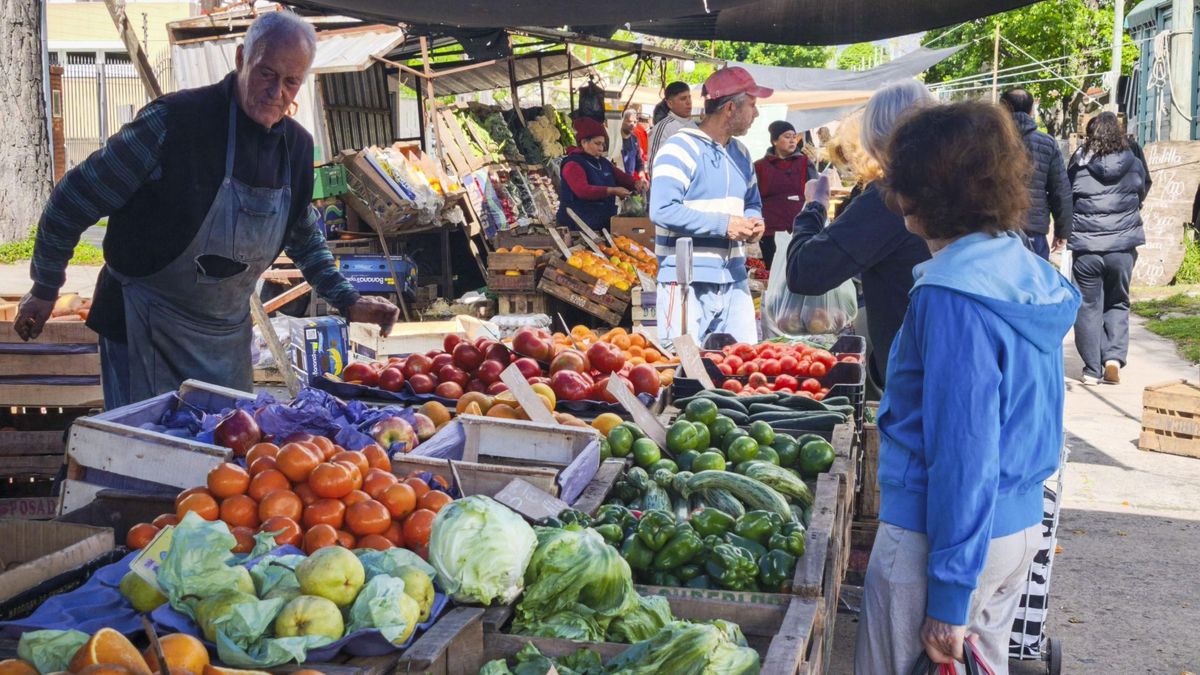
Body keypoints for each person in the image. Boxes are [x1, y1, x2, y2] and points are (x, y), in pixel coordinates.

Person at [13, 12, 398, 408]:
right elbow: (73, 198)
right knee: (145, 458)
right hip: (144, 329)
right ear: (240, 59)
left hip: (224, 342)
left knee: (224, 457)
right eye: (266, 73)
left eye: (291, 81)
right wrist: (45, 287)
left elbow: (304, 237)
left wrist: (347, 299)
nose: (276, 92)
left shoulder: (295, 150)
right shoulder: (173, 124)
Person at [853, 101, 1080, 675]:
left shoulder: (953, 296)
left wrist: (949, 598)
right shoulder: (1024, 267)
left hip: (941, 537)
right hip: (1014, 529)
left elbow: (965, 452)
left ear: (921, 191)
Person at [785, 81, 934, 388]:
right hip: (956, 357)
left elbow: (806, 272)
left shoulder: (895, 196)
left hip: (915, 370)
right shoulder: (960, 182)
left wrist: (814, 207)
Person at [649, 66, 769, 344]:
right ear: (730, 108)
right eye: (752, 105)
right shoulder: (679, 148)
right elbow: (662, 209)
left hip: (734, 280)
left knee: (743, 368)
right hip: (684, 284)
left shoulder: (741, 153)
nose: (756, 114)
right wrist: (725, 224)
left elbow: (752, 202)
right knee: (684, 371)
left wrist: (754, 221)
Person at [1067, 111, 1148, 385]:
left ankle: (1091, 370)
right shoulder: (1133, 161)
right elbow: (1142, 189)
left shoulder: (1078, 162)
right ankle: (1112, 358)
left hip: (1087, 248)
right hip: (1122, 247)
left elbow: (1067, 195)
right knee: (1117, 301)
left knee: (1088, 305)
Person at [999, 88, 1073, 260]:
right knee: (1034, 282)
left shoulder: (988, 141)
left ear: (1003, 109)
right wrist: (1062, 230)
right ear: (1032, 110)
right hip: (1034, 229)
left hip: (995, 230)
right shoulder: (1047, 143)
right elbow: (1060, 191)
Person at [557, 116, 646, 233]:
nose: (601, 148)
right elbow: (583, 190)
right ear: (584, 142)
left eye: (603, 144)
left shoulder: (602, 162)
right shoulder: (573, 164)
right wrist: (611, 191)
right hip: (577, 227)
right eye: (597, 143)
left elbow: (621, 177)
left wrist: (636, 183)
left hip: (601, 224)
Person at [753, 121, 817, 269]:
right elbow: (752, 198)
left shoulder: (805, 163)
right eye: (787, 136)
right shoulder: (759, 167)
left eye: (794, 137)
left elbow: (815, 193)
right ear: (775, 141)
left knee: (798, 271)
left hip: (798, 229)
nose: (793, 140)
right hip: (769, 231)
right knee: (773, 272)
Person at [647, 81, 697, 170]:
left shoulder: (694, 127)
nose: (689, 102)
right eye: (683, 99)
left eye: (689, 97)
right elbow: (654, 165)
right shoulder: (663, 128)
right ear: (670, 103)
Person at [619, 109, 646, 180]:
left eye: (635, 122)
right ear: (621, 121)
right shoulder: (615, 139)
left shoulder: (635, 139)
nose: (632, 125)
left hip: (629, 181)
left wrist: (643, 177)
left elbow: (639, 162)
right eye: (629, 121)